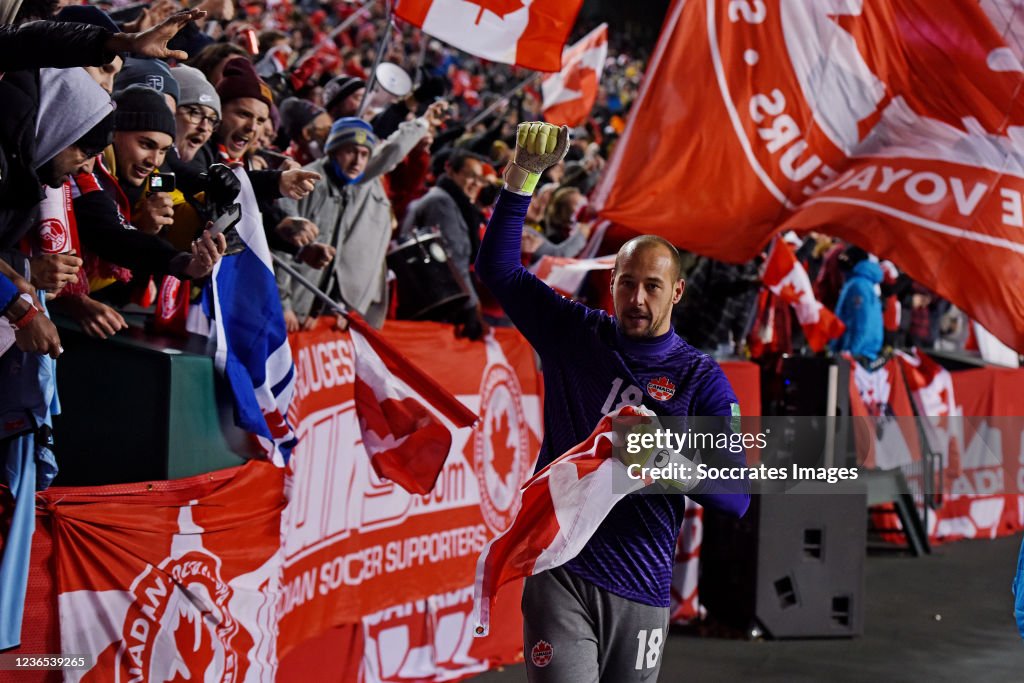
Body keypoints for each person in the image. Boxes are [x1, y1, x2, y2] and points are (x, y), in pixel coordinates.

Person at [475, 122, 750, 682]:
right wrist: (522, 177)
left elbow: (737, 497)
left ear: (676, 292)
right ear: (612, 283)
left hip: (641, 582)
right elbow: (498, 270)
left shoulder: (701, 379)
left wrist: (667, 465)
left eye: (652, 286)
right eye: (627, 283)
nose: (637, 298)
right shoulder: (577, 334)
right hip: (560, 566)